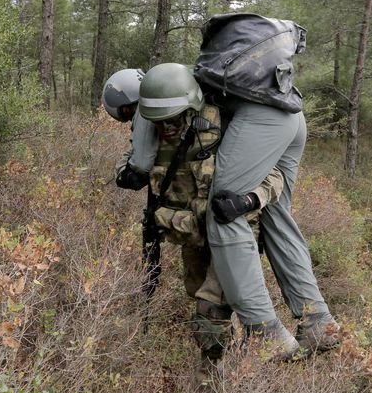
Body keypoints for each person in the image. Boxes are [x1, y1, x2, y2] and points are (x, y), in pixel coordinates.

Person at [104, 64, 284, 364]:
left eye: (172, 120)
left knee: (209, 313)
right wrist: (130, 174)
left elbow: (275, 176)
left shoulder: (223, 128)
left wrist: (248, 200)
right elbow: (130, 164)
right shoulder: (151, 135)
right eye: (158, 123)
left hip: (232, 233)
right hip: (194, 237)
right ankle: (230, 356)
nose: (167, 128)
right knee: (206, 307)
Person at [204, 91, 340, 360]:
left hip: (263, 117)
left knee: (222, 210)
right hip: (289, 109)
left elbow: (264, 178)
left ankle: (265, 333)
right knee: (278, 216)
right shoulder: (250, 79)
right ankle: (317, 320)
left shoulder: (202, 106)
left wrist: (248, 200)